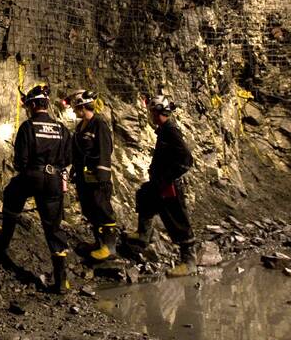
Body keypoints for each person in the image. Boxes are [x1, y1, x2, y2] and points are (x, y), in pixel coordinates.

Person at [0, 84, 73, 292]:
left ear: (33, 105)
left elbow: (20, 161)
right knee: (54, 227)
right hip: (54, 178)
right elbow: (68, 157)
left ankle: (3, 241)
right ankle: (61, 281)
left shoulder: (28, 127)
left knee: (12, 194)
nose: (27, 110)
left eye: (27, 106)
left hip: (33, 175)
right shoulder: (61, 128)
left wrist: (30, 172)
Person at [125, 95, 197, 277]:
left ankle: (189, 262)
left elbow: (186, 159)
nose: (150, 115)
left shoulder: (171, 131)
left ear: (157, 112)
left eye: (151, 112)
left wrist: (168, 177)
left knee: (177, 219)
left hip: (169, 184)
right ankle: (143, 234)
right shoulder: (164, 130)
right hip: (160, 181)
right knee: (144, 196)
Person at [68, 89, 118, 261]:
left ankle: (109, 247)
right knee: (90, 209)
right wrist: (74, 169)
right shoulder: (80, 127)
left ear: (82, 107)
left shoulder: (99, 124)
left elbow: (105, 150)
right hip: (84, 177)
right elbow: (78, 152)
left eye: (75, 107)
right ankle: (99, 242)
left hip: (97, 177)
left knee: (102, 208)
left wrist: (102, 175)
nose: (73, 110)